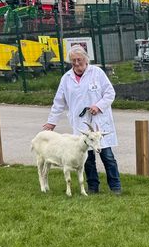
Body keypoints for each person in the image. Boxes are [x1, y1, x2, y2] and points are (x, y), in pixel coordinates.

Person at [42, 44, 121, 194]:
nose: (77, 64)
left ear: (86, 59)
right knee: (87, 158)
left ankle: (115, 186)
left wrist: (98, 106)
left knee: (107, 156)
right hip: (81, 125)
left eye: (79, 60)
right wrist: (52, 122)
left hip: (99, 122)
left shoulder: (97, 73)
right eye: (73, 61)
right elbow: (59, 102)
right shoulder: (66, 78)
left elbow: (110, 93)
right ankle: (93, 187)